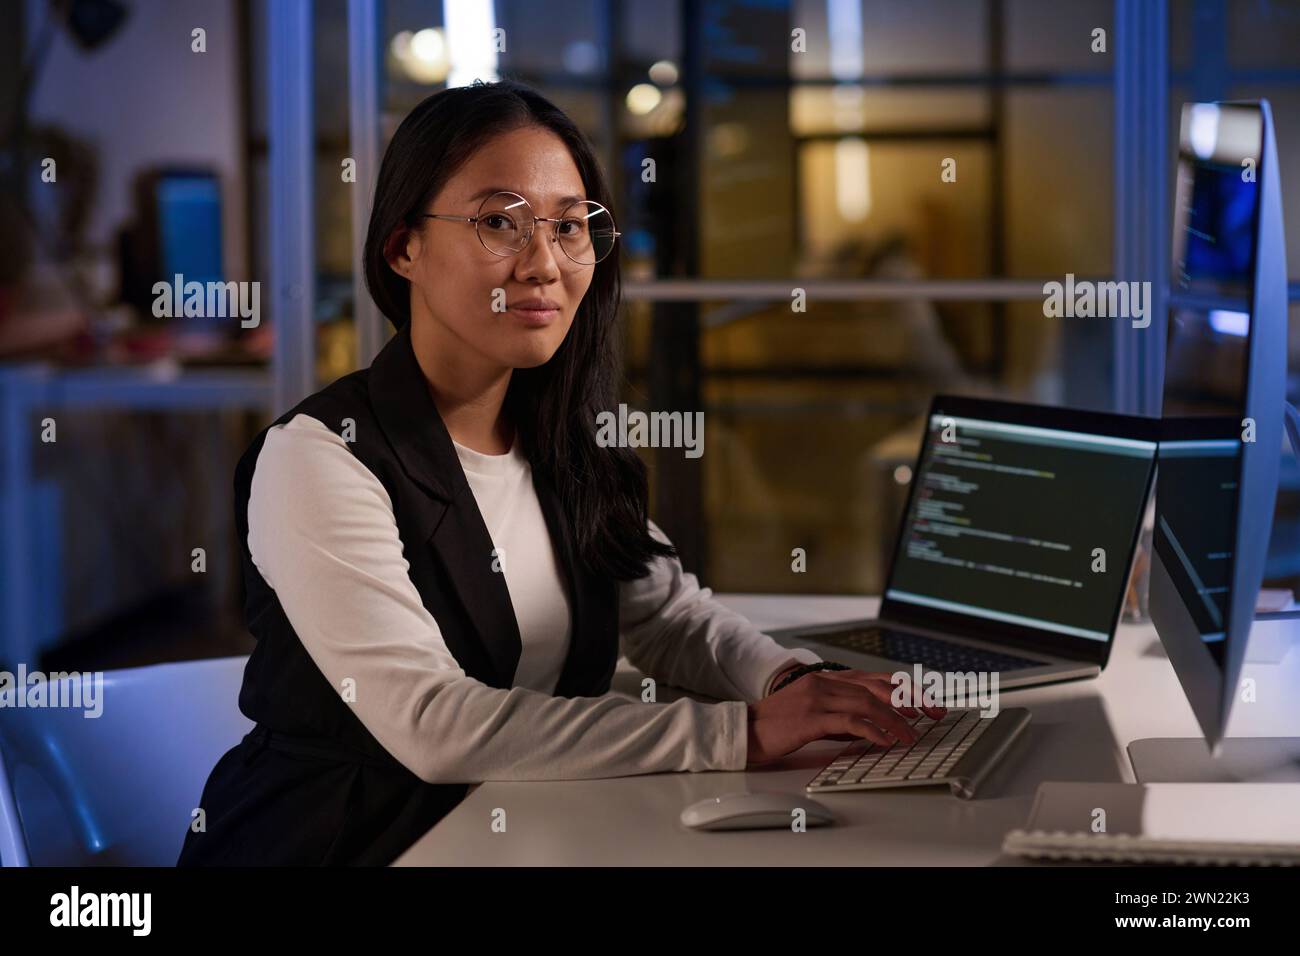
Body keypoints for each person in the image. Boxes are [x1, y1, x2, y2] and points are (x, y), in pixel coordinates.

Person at [177, 80, 940, 866]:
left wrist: (789, 684)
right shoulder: (321, 455)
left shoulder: (560, 441)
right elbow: (434, 725)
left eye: (570, 226)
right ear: (404, 247)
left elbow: (668, 618)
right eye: (498, 223)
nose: (544, 263)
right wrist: (742, 735)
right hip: (347, 846)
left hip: (524, 835)